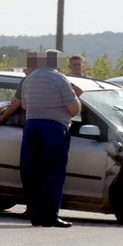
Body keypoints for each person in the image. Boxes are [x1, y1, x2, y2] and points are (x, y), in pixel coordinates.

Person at [20, 51, 81, 227]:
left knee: (33, 172)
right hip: (54, 128)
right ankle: (50, 215)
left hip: (32, 127)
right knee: (53, 173)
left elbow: (24, 105)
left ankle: (35, 214)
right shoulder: (59, 79)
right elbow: (74, 109)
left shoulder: (29, 79)